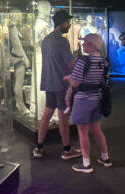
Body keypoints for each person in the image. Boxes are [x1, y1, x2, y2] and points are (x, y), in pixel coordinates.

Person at [33, 9, 82, 160]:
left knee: (47, 115)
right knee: (63, 117)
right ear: (62, 23)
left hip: (49, 83)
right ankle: (67, 150)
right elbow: (70, 63)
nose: (69, 25)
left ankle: (39, 148)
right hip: (61, 84)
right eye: (68, 22)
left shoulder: (47, 40)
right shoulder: (62, 41)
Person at [64, 33, 111, 173]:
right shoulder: (103, 60)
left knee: (83, 132)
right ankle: (105, 158)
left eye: (85, 42)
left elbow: (76, 82)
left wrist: (68, 78)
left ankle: (86, 164)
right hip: (97, 98)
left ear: (92, 45)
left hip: (83, 99)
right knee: (96, 128)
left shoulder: (83, 61)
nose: (83, 44)